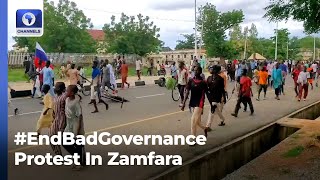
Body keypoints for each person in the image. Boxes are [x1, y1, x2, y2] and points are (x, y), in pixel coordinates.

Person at [63, 85, 85, 170]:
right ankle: (78, 158)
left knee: (78, 145)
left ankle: (79, 163)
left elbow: (79, 117)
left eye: (67, 91)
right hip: (69, 126)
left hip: (76, 127)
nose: (65, 92)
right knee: (65, 142)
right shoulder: (67, 100)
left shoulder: (76, 103)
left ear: (72, 93)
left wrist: (76, 131)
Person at [181, 66, 207, 140]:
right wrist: (183, 103)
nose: (195, 72)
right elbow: (187, 92)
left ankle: (193, 139)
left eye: (197, 70)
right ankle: (205, 128)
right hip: (192, 102)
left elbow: (207, 93)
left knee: (193, 120)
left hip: (200, 102)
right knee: (197, 122)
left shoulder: (203, 83)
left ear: (200, 72)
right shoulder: (191, 81)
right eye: (194, 70)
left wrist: (212, 104)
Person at [205, 65, 226, 135]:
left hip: (217, 96)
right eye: (210, 68)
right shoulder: (209, 78)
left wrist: (224, 98)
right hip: (210, 97)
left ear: (216, 71)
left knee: (212, 109)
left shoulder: (220, 79)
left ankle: (208, 126)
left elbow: (222, 89)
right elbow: (206, 88)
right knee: (216, 110)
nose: (210, 69)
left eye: (212, 68)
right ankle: (222, 119)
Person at [49, 82, 67, 155]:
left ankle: (79, 156)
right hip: (56, 120)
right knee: (52, 137)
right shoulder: (55, 98)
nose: (54, 88)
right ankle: (58, 154)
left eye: (56, 87)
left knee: (64, 141)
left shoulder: (64, 97)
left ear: (60, 89)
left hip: (62, 122)